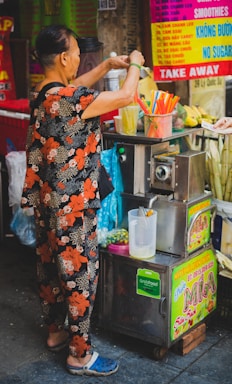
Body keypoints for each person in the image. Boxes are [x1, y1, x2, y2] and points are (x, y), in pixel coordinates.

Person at [21, 24, 144, 377]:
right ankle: (80, 354)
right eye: (75, 53)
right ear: (63, 57)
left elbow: (75, 88)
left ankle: (56, 332)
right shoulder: (70, 101)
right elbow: (123, 97)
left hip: (48, 201)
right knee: (80, 277)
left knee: (49, 267)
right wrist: (134, 64)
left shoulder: (44, 93)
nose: (77, 59)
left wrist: (107, 65)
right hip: (72, 206)